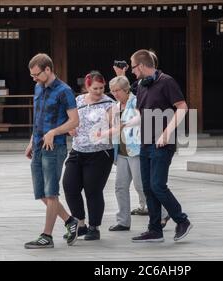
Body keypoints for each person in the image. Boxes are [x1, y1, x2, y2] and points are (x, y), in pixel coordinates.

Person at [128, 49, 192, 243]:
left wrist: (166, 133)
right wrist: (125, 125)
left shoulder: (167, 82)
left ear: (141, 65)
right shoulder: (141, 85)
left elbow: (182, 107)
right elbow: (141, 114)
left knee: (157, 185)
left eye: (133, 67)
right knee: (147, 187)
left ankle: (182, 221)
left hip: (163, 143)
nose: (132, 71)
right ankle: (155, 229)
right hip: (145, 143)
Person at [24, 53, 80, 249]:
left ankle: (46, 236)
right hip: (39, 146)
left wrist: (53, 132)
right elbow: (38, 118)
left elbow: (74, 121)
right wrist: (32, 140)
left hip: (54, 147)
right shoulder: (38, 88)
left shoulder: (64, 91)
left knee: (51, 193)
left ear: (48, 69)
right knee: (41, 192)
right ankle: (70, 221)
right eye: (32, 75)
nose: (34, 78)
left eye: (37, 74)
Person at [104, 75, 169, 232]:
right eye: (112, 91)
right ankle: (123, 221)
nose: (114, 94)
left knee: (141, 186)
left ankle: (163, 213)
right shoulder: (115, 105)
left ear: (126, 89)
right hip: (120, 151)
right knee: (120, 186)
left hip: (137, 150)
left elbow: (142, 119)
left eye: (117, 90)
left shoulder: (137, 101)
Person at [62, 71, 115, 241]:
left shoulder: (109, 104)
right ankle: (80, 224)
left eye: (101, 88)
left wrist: (106, 132)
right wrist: (70, 128)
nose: (98, 91)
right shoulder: (78, 101)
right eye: (94, 88)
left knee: (93, 190)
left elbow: (117, 126)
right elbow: (70, 120)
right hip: (78, 150)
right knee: (69, 186)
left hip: (100, 153)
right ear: (86, 87)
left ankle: (94, 227)